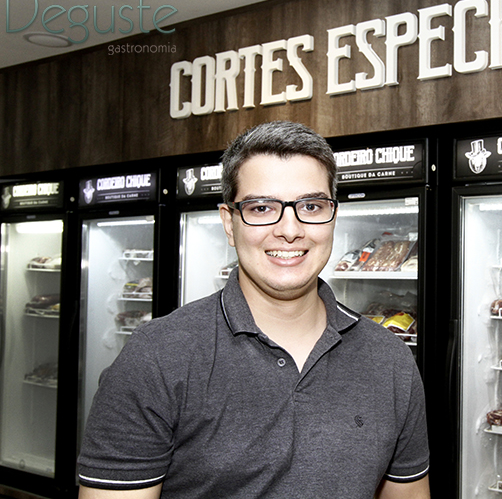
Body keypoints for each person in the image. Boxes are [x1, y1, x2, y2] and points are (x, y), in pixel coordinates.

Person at [77, 121, 430, 498]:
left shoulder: (389, 360)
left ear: (333, 217)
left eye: (311, 206)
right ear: (229, 223)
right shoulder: (156, 357)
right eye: (262, 208)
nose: (290, 230)